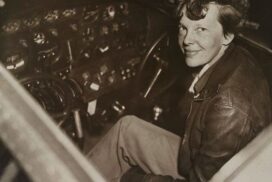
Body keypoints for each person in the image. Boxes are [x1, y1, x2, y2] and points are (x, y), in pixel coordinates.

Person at [87, 0, 271, 181]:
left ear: (227, 35)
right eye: (183, 28)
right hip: (195, 159)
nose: (187, 40)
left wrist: (135, 179)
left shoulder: (230, 110)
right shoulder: (231, 57)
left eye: (201, 29)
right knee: (126, 130)